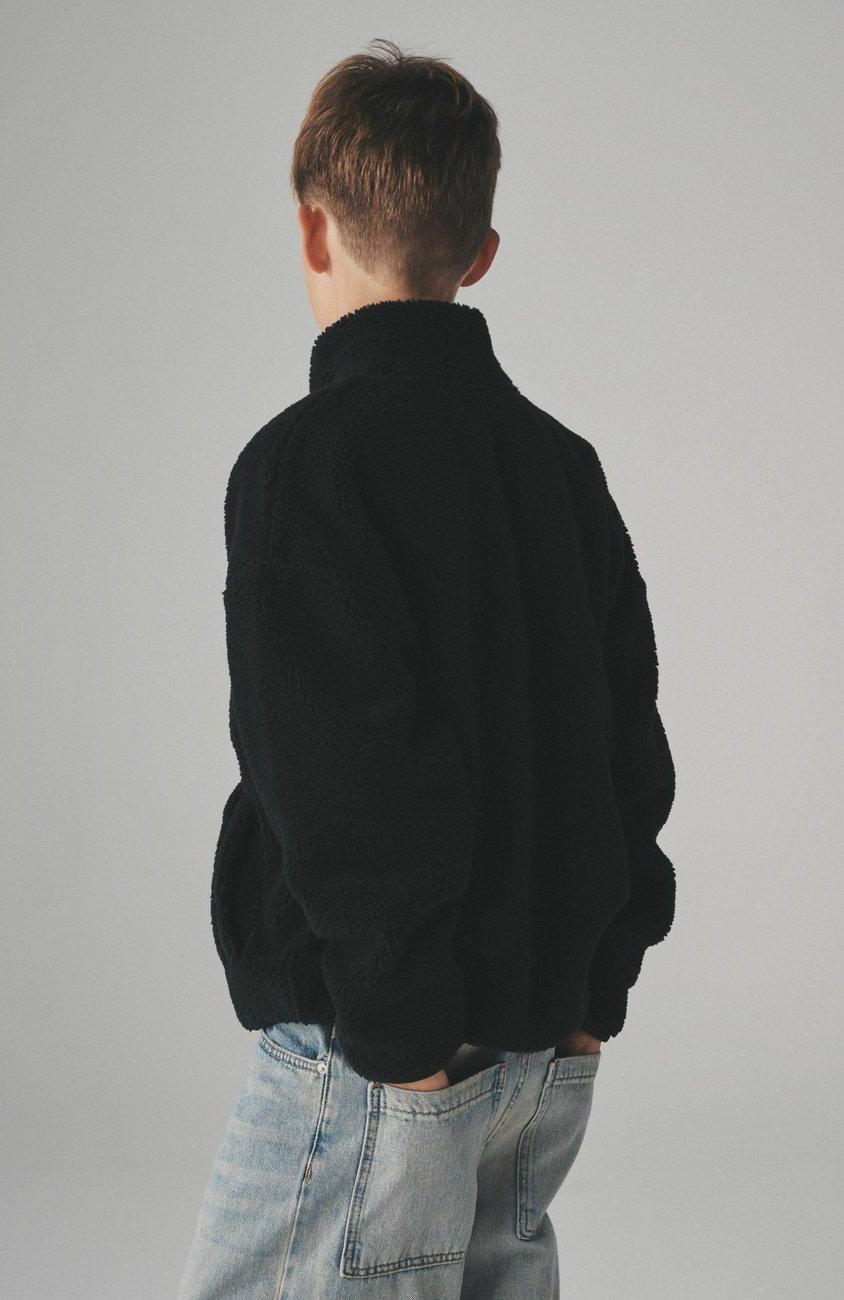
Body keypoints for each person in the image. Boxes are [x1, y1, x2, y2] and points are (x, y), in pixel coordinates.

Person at [180, 38, 675, 1300]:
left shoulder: (308, 467)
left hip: (378, 1062)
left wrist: (400, 1050)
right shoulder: (561, 468)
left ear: (312, 228)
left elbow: (341, 777)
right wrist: (590, 995)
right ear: (481, 254)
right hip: (536, 1050)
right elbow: (628, 750)